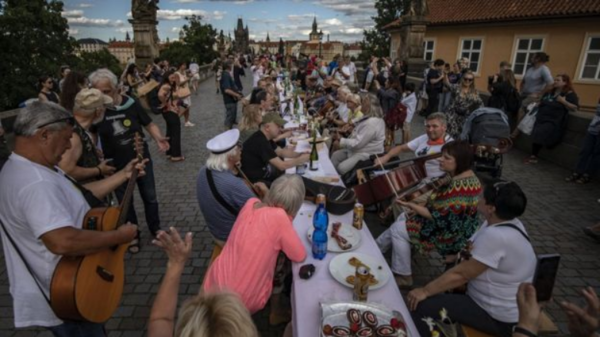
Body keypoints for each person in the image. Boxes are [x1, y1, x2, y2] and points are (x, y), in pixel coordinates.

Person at [0, 101, 142, 336]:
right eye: (66, 138)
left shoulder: (27, 168)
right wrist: (118, 236)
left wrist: (123, 175)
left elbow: (79, 197)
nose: (68, 147)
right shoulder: (36, 183)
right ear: (44, 134)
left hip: (67, 288)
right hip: (69, 292)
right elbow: (62, 241)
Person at [407, 179, 534, 337]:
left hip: (497, 316)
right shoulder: (508, 223)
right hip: (506, 307)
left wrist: (425, 291)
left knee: (420, 305)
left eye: (482, 198)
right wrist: (456, 256)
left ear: (491, 208)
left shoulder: (496, 236)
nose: (478, 199)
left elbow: (462, 275)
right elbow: (477, 253)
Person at [377, 141, 481, 287]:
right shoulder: (468, 177)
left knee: (398, 229)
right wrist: (415, 207)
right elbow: (439, 206)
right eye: (442, 156)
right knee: (402, 217)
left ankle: (404, 276)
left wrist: (412, 205)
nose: (440, 159)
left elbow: (437, 216)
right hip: (457, 225)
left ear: (460, 161)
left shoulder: (457, 189)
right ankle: (377, 248)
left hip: (450, 234)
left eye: (447, 158)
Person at [202, 174, 307, 315]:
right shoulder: (280, 218)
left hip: (214, 283)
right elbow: (299, 255)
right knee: (284, 263)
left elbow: (263, 215)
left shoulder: (250, 203)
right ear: (295, 206)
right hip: (241, 302)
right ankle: (278, 306)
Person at [90, 68, 170, 252]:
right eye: (97, 93)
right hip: (115, 164)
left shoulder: (131, 103)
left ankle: (155, 227)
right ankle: (132, 233)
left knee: (150, 196)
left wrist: (158, 138)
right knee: (126, 201)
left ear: (117, 88)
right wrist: (95, 150)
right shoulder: (97, 110)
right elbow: (92, 133)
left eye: (106, 92)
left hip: (141, 158)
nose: (102, 96)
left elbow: (148, 123)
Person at [197, 129, 268, 246]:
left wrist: (233, 170)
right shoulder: (234, 184)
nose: (241, 149)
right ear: (230, 156)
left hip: (216, 231)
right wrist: (266, 194)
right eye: (239, 146)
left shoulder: (203, 170)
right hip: (231, 239)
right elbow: (261, 215)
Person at [58, 88, 116, 184]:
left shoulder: (76, 127)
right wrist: (99, 170)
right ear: (98, 111)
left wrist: (90, 154)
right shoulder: (74, 136)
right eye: (104, 106)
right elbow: (66, 170)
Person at [375, 112, 453, 179]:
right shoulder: (425, 137)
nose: (430, 130)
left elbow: (454, 172)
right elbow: (401, 148)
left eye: (434, 126)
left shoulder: (450, 145)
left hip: (432, 183)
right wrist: (386, 157)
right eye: (428, 126)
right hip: (415, 176)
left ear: (444, 128)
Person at [240, 112, 309, 185]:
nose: (280, 129)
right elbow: (282, 166)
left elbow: (281, 152)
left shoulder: (265, 137)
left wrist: (300, 154)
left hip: (265, 174)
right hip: (258, 183)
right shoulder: (260, 141)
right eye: (278, 126)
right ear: (267, 127)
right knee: (297, 182)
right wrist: (301, 160)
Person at [526, 74, 579, 164]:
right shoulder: (550, 92)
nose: (555, 82)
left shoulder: (569, 94)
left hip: (553, 120)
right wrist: (538, 102)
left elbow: (574, 108)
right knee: (536, 134)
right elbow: (542, 100)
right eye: (555, 80)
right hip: (541, 117)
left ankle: (534, 155)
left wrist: (563, 101)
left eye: (558, 80)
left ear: (565, 82)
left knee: (541, 133)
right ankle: (534, 154)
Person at [330, 105, 385, 175]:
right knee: (335, 155)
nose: (361, 105)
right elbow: (358, 120)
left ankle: (344, 182)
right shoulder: (368, 117)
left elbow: (357, 144)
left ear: (369, 107)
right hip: (357, 149)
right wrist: (350, 125)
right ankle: (331, 177)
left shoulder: (371, 124)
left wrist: (341, 139)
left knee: (342, 168)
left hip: (366, 153)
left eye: (364, 103)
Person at [565, 98, 600, 184]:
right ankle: (577, 172)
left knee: (596, 154)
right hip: (592, 129)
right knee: (585, 151)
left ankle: (587, 175)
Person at [444, 70, 484, 138]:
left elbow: (480, 104)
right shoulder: (456, 87)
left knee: (460, 137)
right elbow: (447, 83)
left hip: (464, 117)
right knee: (449, 135)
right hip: (452, 115)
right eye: (465, 79)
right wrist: (445, 75)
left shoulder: (474, 92)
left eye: (470, 79)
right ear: (462, 79)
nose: (467, 81)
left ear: (472, 81)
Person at [157, 72, 185, 162]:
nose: (173, 78)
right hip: (170, 111)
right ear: (166, 77)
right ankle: (176, 156)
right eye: (171, 77)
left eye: (174, 76)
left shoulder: (169, 85)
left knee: (170, 131)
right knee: (176, 132)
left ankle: (169, 153)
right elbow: (160, 95)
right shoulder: (167, 86)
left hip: (167, 112)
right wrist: (166, 105)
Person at [221, 60, 244, 130]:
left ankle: (229, 131)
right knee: (229, 118)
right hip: (229, 100)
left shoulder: (227, 74)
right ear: (228, 66)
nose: (232, 66)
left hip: (232, 100)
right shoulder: (226, 75)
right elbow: (227, 90)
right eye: (231, 64)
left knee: (232, 118)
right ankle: (227, 133)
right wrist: (237, 95)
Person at [175, 62, 194, 127]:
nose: (185, 66)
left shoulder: (184, 72)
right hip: (181, 92)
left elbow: (186, 81)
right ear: (180, 66)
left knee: (188, 108)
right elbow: (178, 84)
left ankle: (187, 121)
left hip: (186, 91)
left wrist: (189, 77)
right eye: (184, 65)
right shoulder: (176, 73)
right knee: (185, 107)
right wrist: (187, 79)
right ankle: (176, 119)